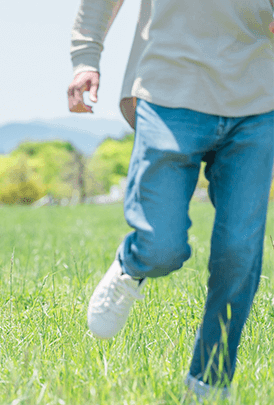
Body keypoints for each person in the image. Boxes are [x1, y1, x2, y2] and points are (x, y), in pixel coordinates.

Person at [68, 0, 274, 400]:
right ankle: (133, 264)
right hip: (168, 91)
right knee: (161, 245)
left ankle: (208, 383)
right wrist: (85, 58)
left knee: (239, 254)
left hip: (257, 101)